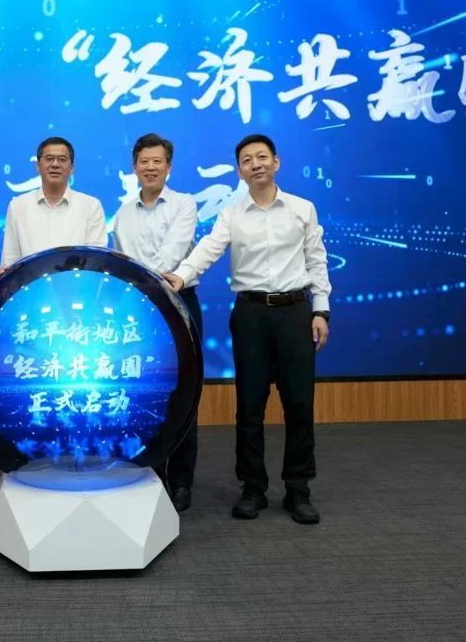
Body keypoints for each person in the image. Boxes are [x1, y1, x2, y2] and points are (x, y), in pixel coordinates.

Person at [163, 134, 331, 525]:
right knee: (250, 406)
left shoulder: (302, 209)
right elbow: (208, 249)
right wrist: (181, 276)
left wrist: (321, 310)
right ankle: (252, 488)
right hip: (251, 314)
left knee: (299, 404)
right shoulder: (232, 214)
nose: (256, 164)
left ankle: (298, 489)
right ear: (239, 171)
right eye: (247, 160)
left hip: (295, 312)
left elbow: (317, 261)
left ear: (276, 162)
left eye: (261, 157)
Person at [112, 133, 201, 512]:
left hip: (177, 303)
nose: (150, 168)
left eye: (157, 161)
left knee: (182, 394)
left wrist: (142, 283)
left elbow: (172, 254)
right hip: (137, 312)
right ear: (135, 167)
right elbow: (119, 261)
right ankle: (150, 473)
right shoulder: (122, 213)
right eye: (144, 162)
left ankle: (180, 481)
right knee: (142, 393)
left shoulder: (184, 204)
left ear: (169, 167)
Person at [0, 136, 107, 267]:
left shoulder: (91, 206)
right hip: (32, 280)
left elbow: (96, 261)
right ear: (38, 166)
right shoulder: (18, 206)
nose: (55, 164)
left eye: (62, 159)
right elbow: (10, 261)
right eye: (49, 159)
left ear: (72, 168)